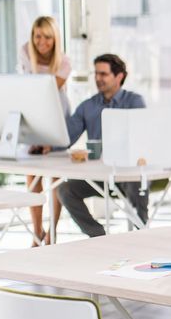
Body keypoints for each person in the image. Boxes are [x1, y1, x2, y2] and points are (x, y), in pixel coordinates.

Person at [56, 54, 148, 238]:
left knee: (135, 182)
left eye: (103, 74)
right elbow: (66, 138)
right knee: (65, 189)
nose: (98, 78)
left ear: (119, 76)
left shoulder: (134, 102)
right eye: (96, 74)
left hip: (129, 172)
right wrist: (47, 145)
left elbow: (143, 138)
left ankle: (141, 235)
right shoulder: (87, 106)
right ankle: (97, 235)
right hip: (100, 174)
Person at [18, 16, 72, 244]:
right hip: (32, 113)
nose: (42, 42)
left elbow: (48, 94)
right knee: (33, 176)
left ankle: (53, 232)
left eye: (47, 37)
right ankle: (37, 232)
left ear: (55, 39)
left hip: (56, 114)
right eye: (37, 36)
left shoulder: (64, 61)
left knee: (56, 177)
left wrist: (49, 140)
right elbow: (27, 89)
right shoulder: (24, 52)